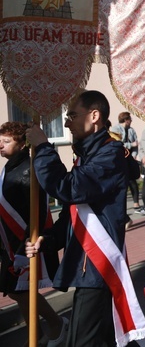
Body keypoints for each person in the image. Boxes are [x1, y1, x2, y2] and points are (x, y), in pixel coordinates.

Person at [26, 90, 145, 345]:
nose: (66, 123)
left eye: (71, 115)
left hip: (98, 266)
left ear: (94, 116)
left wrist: (42, 148)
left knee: (83, 341)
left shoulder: (110, 154)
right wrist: (47, 240)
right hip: (86, 264)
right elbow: (73, 212)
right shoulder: (87, 155)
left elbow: (68, 187)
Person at [0, 122, 66, 345]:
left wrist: (24, 245)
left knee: (19, 291)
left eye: (6, 141)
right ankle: (37, 335)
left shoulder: (28, 168)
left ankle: (54, 324)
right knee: (17, 291)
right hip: (10, 242)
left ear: (21, 144)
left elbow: (35, 212)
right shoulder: (9, 166)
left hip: (25, 242)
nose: (0, 145)